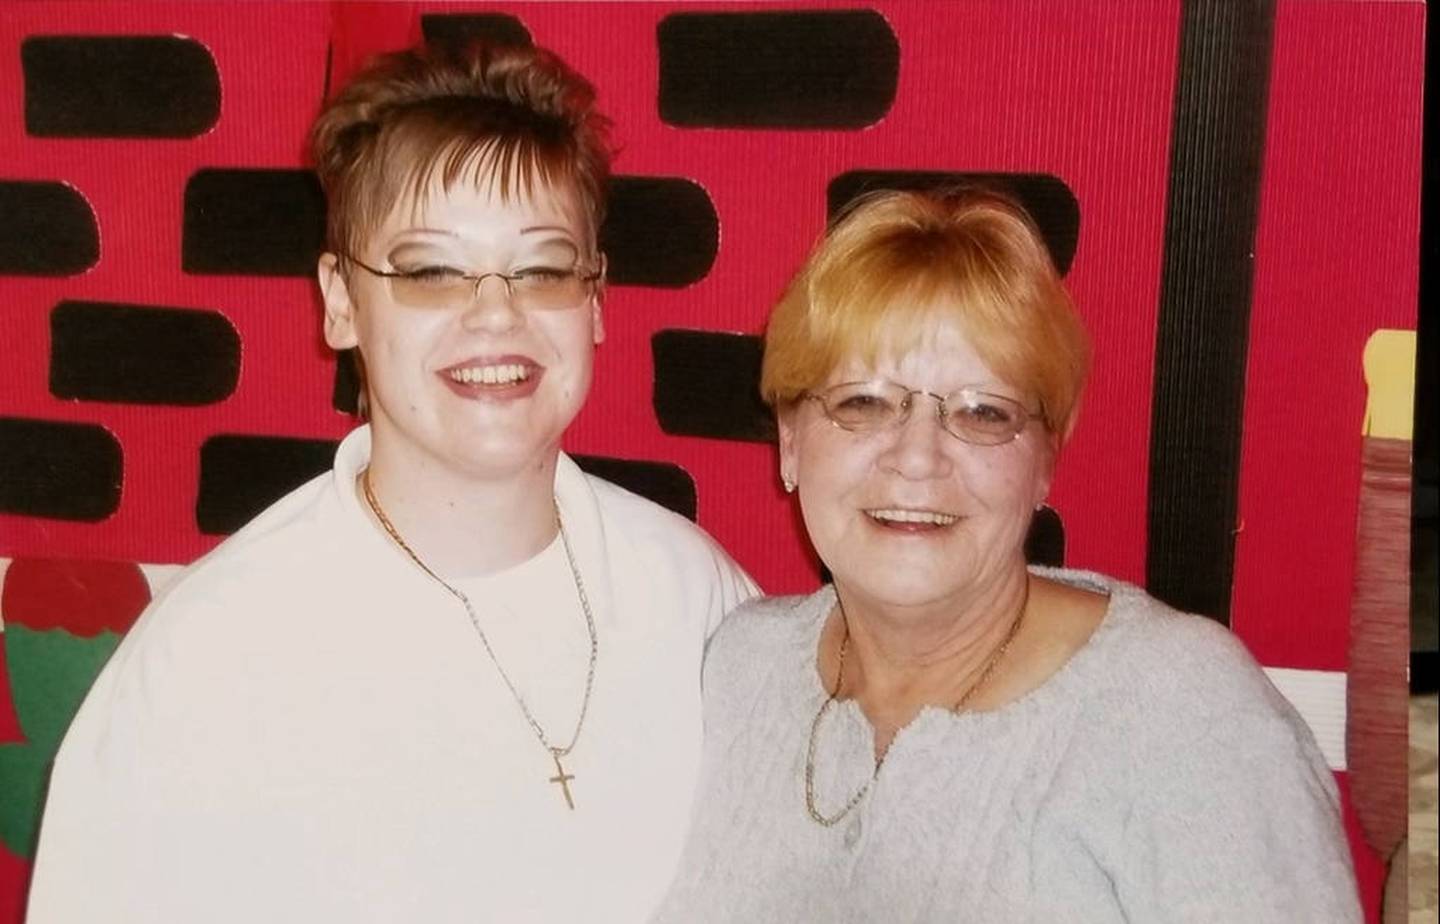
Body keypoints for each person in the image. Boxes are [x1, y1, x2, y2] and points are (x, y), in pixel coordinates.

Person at [27, 41, 754, 923]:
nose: (497, 313)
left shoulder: (699, 599)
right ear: (340, 301)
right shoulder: (209, 665)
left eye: (544, 267)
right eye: (431, 271)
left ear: (595, 299)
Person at [655, 190, 1361, 922]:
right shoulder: (741, 668)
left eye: (982, 412)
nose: (918, 458)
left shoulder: (1184, 713)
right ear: (791, 441)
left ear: (1046, 460)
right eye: (863, 401)